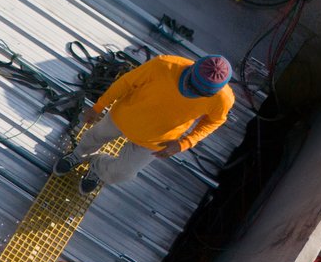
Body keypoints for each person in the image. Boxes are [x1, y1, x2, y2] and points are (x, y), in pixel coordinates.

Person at [55, 54, 233, 194]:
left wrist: (184, 143)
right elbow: (126, 82)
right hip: (124, 116)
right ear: (192, 67)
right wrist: (99, 106)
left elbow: (214, 121)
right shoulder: (164, 65)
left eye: (200, 93)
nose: (191, 92)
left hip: (156, 140)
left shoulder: (223, 99)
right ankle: (78, 155)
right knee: (96, 135)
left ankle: (97, 166)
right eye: (192, 86)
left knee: (123, 173)